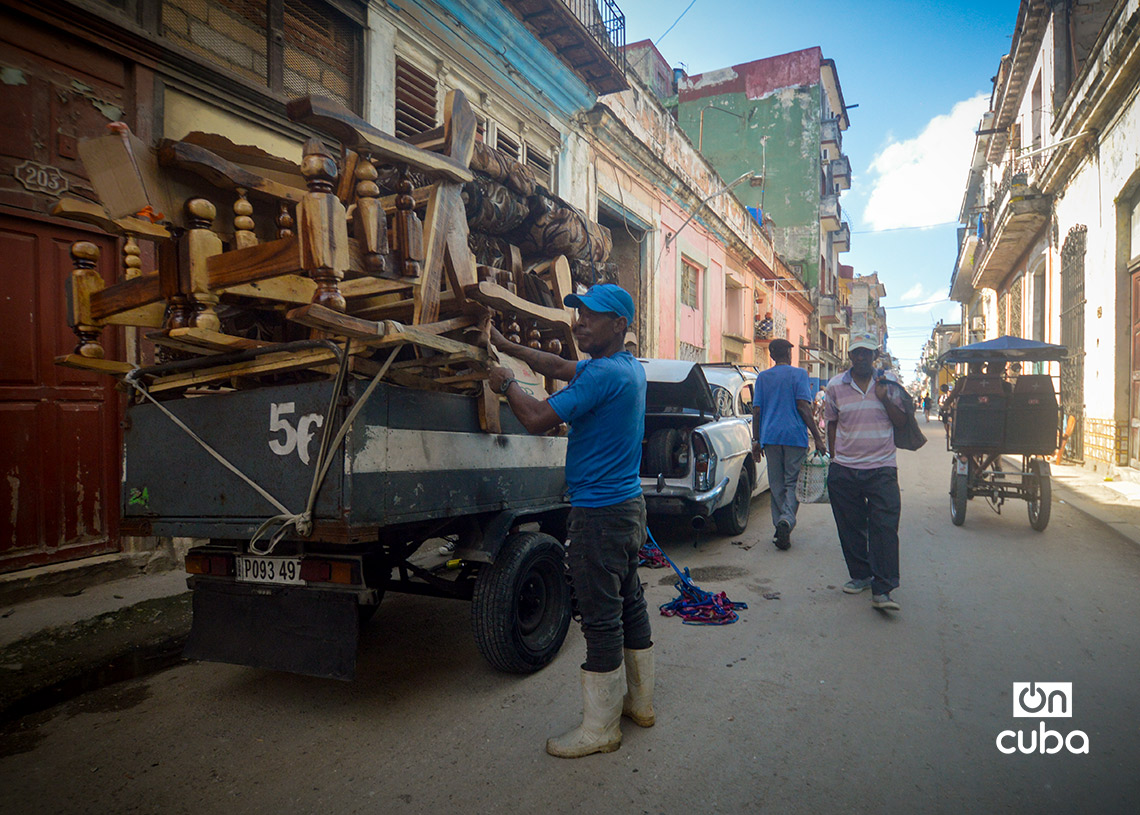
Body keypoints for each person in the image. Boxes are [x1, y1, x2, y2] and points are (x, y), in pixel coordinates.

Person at [486, 283, 653, 759]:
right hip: (626, 507)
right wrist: (505, 342)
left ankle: (601, 728)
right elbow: (558, 367)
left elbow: (538, 418)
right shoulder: (624, 368)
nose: (579, 323)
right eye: (578, 314)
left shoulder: (601, 377)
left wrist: (506, 383)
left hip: (599, 514)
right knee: (629, 602)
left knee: (600, 619)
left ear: (618, 325)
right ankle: (639, 703)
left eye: (591, 317)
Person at [824, 333, 908, 612]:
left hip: (882, 467)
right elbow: (832, 423)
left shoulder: (888, 384)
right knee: (850, 526)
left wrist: (885, 400)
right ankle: (860, 576)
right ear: (850, 356)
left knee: (884, 527)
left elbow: (901, 422)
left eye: (866, 353)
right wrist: (834, 458)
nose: (860, 358)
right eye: (856, 353)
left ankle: (882, 590)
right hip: (845, 469)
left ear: (875, 357)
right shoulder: (835, 386)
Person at [751, 339, 827, 550]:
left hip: (770, 437)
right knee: (792, 482)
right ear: (788, 354)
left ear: (772, 355)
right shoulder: (799, 375)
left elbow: (756, 411)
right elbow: (803, 406)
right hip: (794, 437)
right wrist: (818, 437)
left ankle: (780, 526)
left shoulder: (763, 377)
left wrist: (756, 440)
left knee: (776, 484)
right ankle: (786, 521)